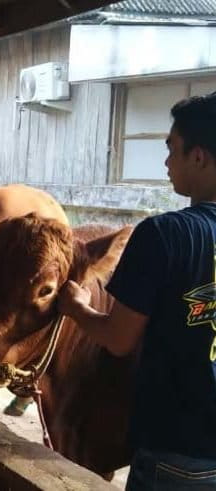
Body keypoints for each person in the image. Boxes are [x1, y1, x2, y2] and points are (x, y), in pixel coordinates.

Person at [58, 92, 216, 490]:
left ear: (199, 157)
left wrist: (77, 307)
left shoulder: (164, 235)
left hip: (178, 453)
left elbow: (118, 339)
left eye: (172, 149)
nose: (166, 163)